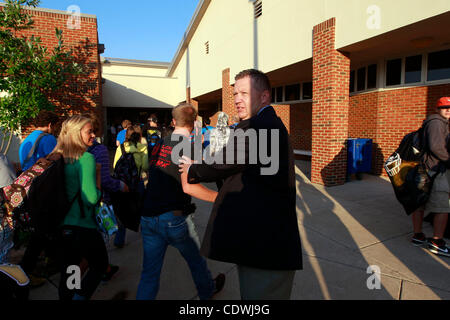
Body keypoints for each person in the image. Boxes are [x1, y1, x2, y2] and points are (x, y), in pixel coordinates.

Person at [179, 69, 302, 300]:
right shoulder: (260, 124)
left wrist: (194, 168)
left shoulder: (263, 126)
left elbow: (227, 161)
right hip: (257, 242)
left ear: (264, 97)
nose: (237, 100)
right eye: (235, 94)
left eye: (244, 93)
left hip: (267, 248)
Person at [136, 103, 225, 300]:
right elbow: (189, 187)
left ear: (173, 121)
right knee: (197, 262)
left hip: (149, 216)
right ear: (194, 123)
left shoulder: (160, 142)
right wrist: (221, 198)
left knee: (149, 275)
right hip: (174, 219)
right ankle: (207, 290)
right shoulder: (188, 146)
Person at [52, 115, 107, 300]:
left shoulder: (56, 157)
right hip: (83, 226)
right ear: (76, 134)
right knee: (100, 265)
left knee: (71, 271)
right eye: (89, 131)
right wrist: (98, 181)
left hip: (62, 226)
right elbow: (91, 198)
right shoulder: (86, 158)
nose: (93, 135)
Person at [17, 110, 60, 287]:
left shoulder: (26, 140)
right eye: (55, 126)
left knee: (41, 229)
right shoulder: (48, 139)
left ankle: (48, 261)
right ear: (50, 125)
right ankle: (25, 272)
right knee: (43, 230)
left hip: (29, 188)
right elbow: (56, 163)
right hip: (44, 189)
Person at [84, 113, 129, 280]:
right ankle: (103, 270)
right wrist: (120, 186)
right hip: (94, 204)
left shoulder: (65, 152)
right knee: (95, 249)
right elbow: (103, 180)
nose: (94, 135)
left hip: (73, 211)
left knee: (81, 252)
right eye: (91, 131)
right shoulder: (97, 150)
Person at [410, 97, 450, 256]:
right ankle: (437, 242)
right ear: (437, 109)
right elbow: (436, 147)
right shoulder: (437, 122)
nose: (448, 110)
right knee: (442, 207)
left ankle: (418, 235)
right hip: (435, 169)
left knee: (419, 203)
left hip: (425, 169)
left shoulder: (434, 122)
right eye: (444, 107)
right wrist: (449, 160)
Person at [113, 125, 149, 248]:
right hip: (137, 182)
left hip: (123, 184)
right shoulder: (142, 148)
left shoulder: (121, 147)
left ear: (126, 135)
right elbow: (145, 167)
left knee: (122, 211)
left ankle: (119, 240)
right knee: (141, 210)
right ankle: (146, 237)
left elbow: (115, 167)